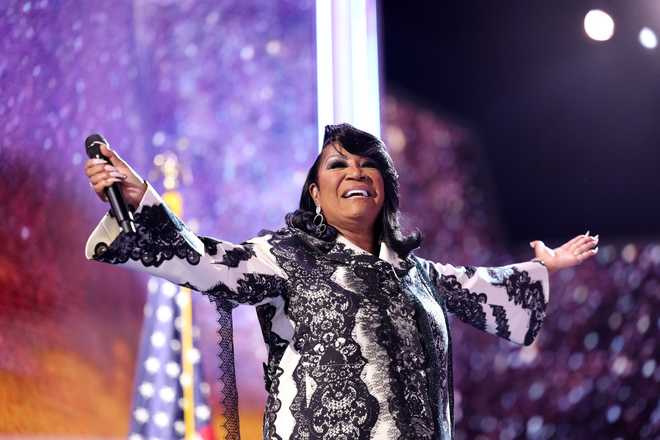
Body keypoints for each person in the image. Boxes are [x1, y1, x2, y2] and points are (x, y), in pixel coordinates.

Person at [84, 123, 599, 439]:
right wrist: (141, 200)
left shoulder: (415, 273)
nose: (356, 170)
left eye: (369, 163)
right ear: (315, 191)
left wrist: (544, 269)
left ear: (385, 189)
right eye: (339, 164)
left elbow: (483, 287)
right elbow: (206, 261)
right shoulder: (284, 257)